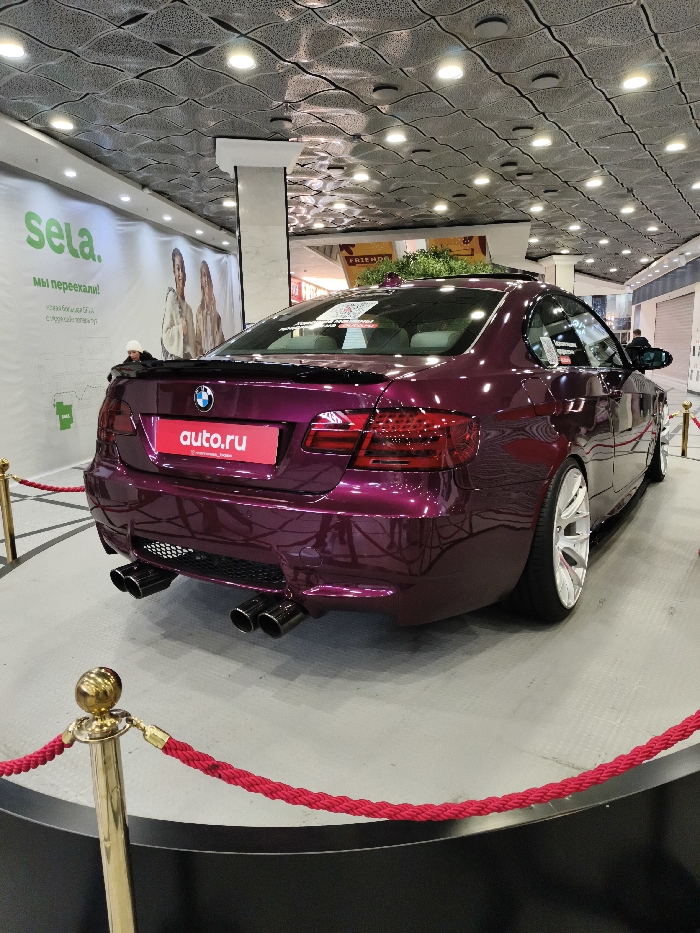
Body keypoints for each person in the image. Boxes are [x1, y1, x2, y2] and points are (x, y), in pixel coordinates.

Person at [162, 247, 196, 359]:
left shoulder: (188, 309)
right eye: (178, 269)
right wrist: (180, 329)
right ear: (174, 272)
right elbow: (165, 335)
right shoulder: (172, 299)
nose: (180, 274)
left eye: (183, 269)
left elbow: (192, 344)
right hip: (177, 362)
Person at [195, 260, 224, 356]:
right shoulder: (199, 312)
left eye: (208, 275)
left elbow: (221, 341)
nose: (206, 279)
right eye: (204, 275)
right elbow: (198, 342)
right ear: (201, 280)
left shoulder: (216, 315)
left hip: (216, 358)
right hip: (205, 360)